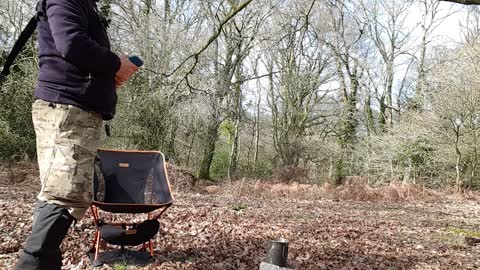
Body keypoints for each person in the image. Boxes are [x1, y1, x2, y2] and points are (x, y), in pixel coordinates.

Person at [15, 0, 139, 269]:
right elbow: (71, 43)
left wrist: (108, 73)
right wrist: (116, 63)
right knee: (64, 194)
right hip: (68, 110)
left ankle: (45, 262)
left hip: (74, 110)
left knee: (63, 194)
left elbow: (76, 49)